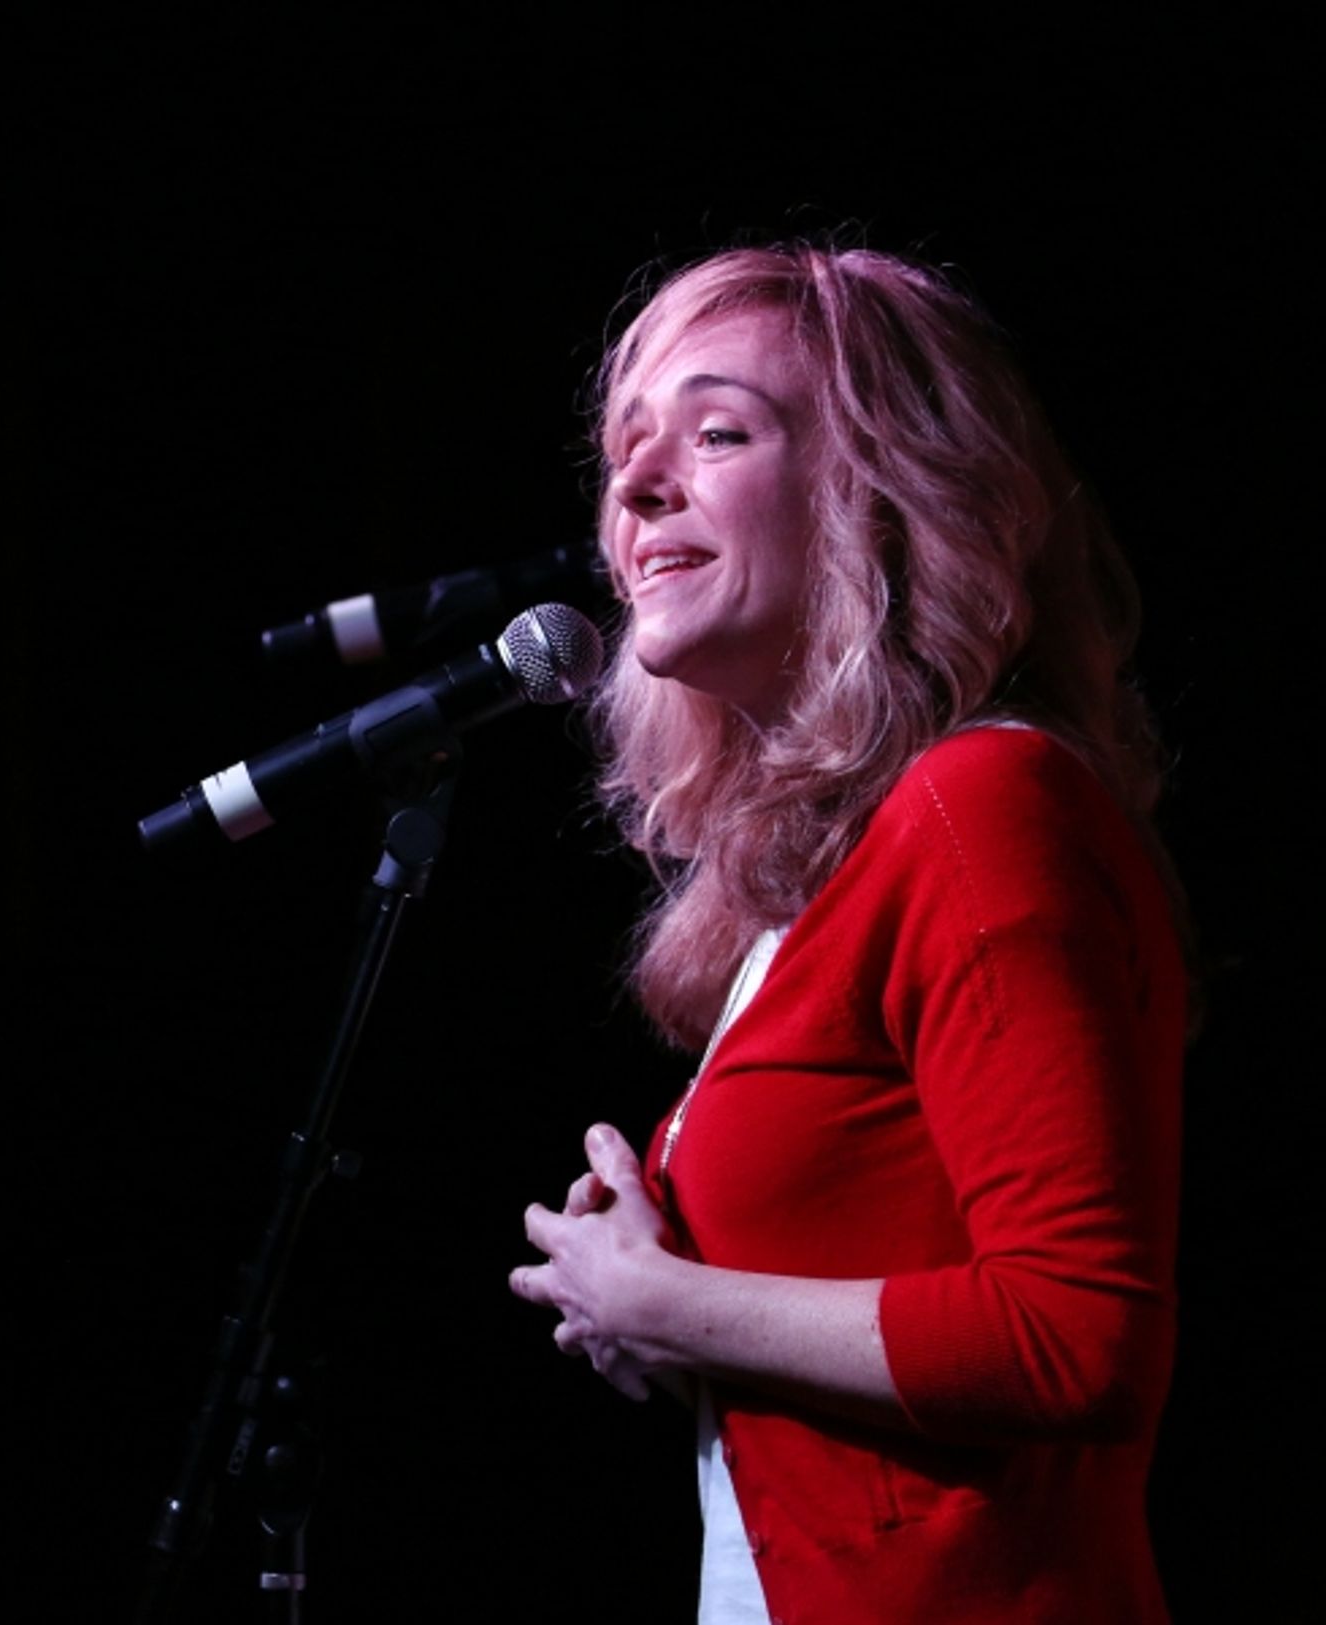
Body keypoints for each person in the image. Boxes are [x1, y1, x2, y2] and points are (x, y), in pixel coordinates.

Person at [508, 242, 1189, 1624]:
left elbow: (1078, 1332)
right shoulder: (828, 883)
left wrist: (668, 1303)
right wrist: (665, 1286)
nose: (636, 488)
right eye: (625, 450)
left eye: (716, 432)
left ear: (877, 497)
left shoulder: (982, 803)